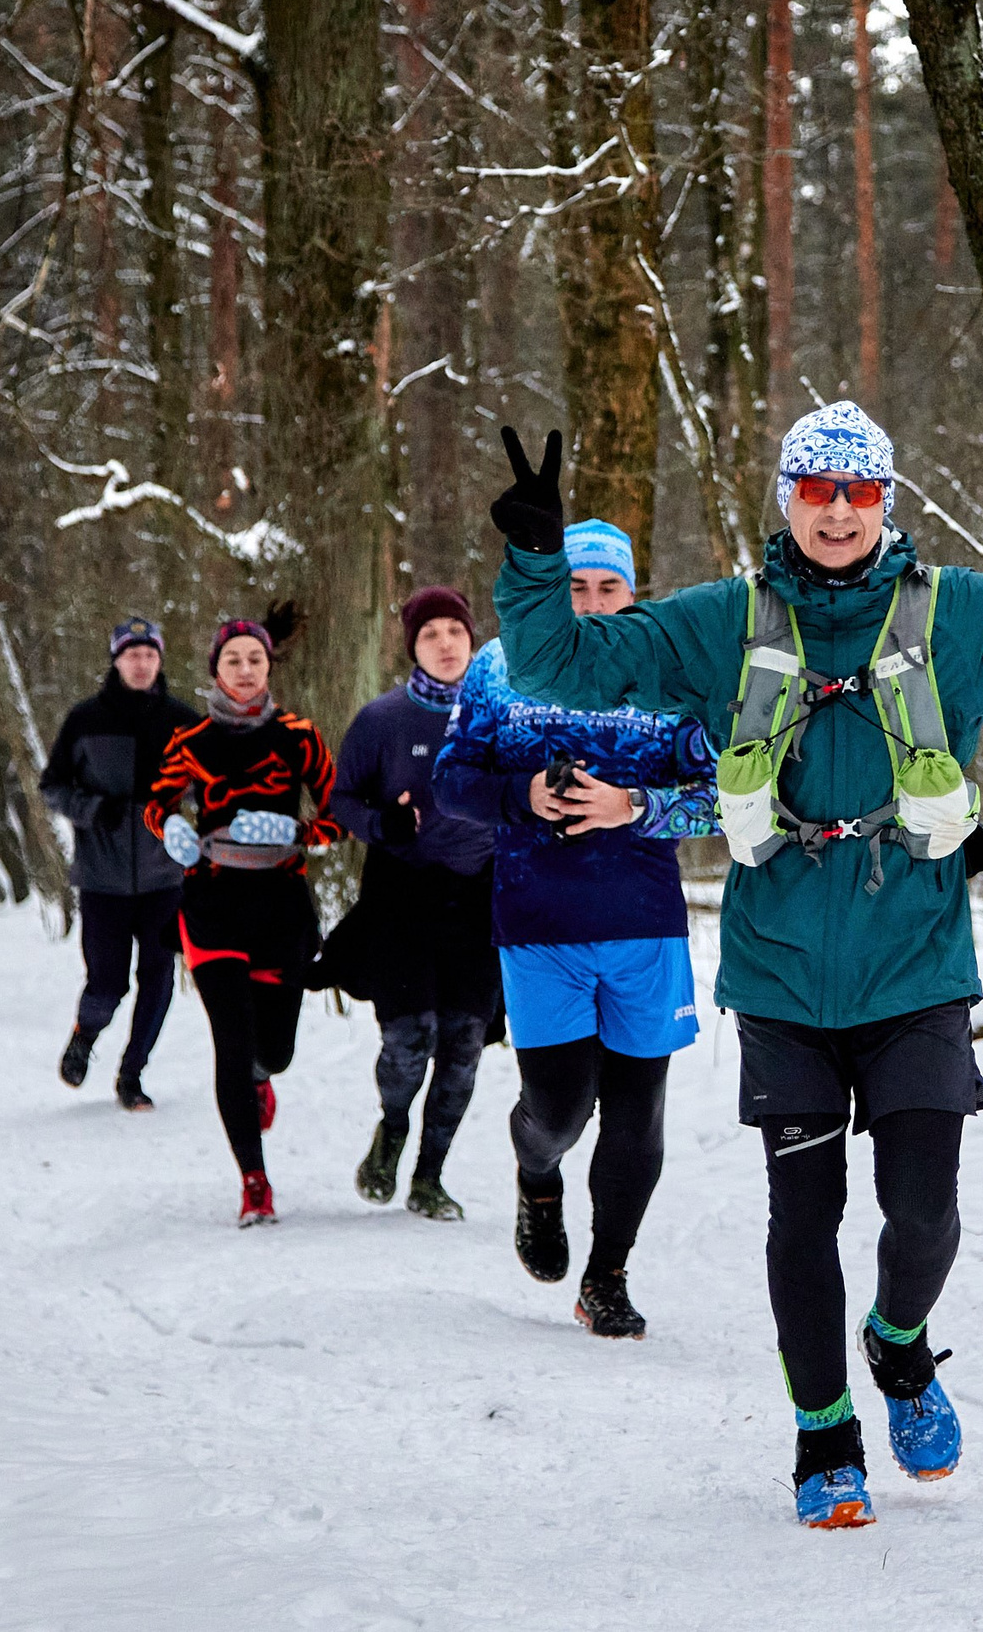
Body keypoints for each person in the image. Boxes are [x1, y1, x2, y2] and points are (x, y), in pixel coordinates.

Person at [486, 403, 983, 1525]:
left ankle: (900, 1344)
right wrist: (539, 559)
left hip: (917, 969)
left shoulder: (959, 616)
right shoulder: (725, 622)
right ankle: (823, 1438)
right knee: (804, 1218)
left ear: (888, 500)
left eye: (861, 491)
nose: (838, 512)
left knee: (923, 1215)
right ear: (787, 497)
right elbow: (563, 664)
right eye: (818, 490)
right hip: (781, 979)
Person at [435, 518, 719, 1341]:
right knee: (559, 1110)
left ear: (633, 591)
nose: (591, 604)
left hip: (645, 925)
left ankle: (607, 1275)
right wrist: (522, 793)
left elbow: (722, 796)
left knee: (638, 1114)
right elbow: (450, 781)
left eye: (608, 587)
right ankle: (536, 1170)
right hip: (538, 923)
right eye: (575, 588)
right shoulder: (498, 667)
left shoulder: (675, 668)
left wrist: (635, 804)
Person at [143, 609, 343, 1225]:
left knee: (274, 1051)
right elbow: (155, 802)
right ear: (216, 671)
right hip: (213, 904)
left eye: (255, 659)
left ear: (269, 666)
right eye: (233, 660)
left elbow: (343, 813)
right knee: (230, 1043)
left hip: (281, 906)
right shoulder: (191, 741)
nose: (246, 669)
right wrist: (171, 828)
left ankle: (262, 1074)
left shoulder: (299, 736)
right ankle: (254, 1181)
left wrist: (300, 832)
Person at [323, 585, 499, 1221]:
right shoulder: (383, 720)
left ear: (472, 640)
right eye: (430, 634)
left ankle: (430, 1177)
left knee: (463, 1045)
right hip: (402, 896)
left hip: (480, 897)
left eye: (456, 631)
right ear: (412, 647)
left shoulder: (501, 711)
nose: (446, 643)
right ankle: (392, 1126)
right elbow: (340, 800)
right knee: (409, 1038)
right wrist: (382, 825)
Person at [40, 617, 200, 1109]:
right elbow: (52, 787)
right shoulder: (85, 719)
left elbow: (211, 785)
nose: (141, 663)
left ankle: (132, 1074)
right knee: (107, 982)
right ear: (116, 660)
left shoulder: (184, 720)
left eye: (150, 654)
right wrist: (93, 810)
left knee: (158, 978)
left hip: (164, 876)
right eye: (132, 654)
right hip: (102, 878)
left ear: (160, 660)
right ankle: (85, 1035)